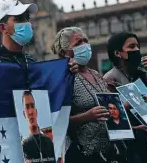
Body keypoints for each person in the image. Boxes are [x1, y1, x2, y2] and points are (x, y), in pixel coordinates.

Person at [51, 27, 128, 163]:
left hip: (110, 152)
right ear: (64, 52)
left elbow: (109, 113)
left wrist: (123, 109)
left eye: (86, 41)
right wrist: (87, 117)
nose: (85, 45)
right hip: (83, 154)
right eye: (78, 43)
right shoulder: (63, 78)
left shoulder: (96, 75)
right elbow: (56, 121)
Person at [104, 32, 147, 163]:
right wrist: (131, 105)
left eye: (137, 46)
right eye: (131, 46)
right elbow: (112, 118)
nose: (137, 50)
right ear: (118, 53)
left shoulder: (141, 73)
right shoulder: (110, 79)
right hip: (128, 146)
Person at [0, 0, 78, 73]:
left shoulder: (30, 61)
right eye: (19, 19)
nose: (26, 23)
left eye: (27, 18)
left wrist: (66, 71)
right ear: (3, 28)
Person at [21, 90, 55, 163]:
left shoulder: (49, 141)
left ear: (36, 112)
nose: (30, 112)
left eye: (32, 106)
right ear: (24, 114)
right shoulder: (24, 146)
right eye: (27, 107)